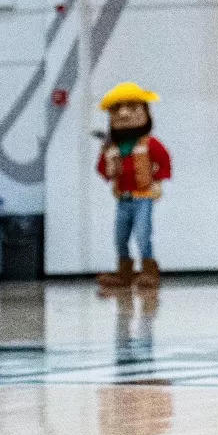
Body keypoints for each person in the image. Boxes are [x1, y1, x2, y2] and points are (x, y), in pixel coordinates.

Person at [94, 82, 170, 289]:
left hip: (143, 197)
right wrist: (108, 158)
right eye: (117, 110)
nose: (125, 115)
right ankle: (124, 273)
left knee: (143, 234)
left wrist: (159, 182)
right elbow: (103, 171)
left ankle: (149, 272)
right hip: (122, 199)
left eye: (133, 108)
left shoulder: (149, 143)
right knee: (120, 236)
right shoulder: (113, 147)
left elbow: (163, 161)